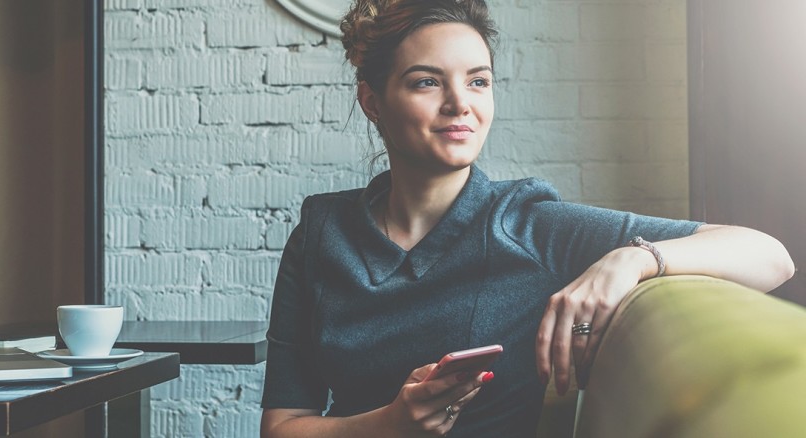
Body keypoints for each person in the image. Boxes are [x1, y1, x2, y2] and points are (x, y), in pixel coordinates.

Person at [259, 1, 795, 437]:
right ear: (373, 102)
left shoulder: (529, 226)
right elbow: (280, 425)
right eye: (427, 82)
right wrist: (390, 425)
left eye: (478, 81)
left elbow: (770, 256)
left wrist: (634, 257)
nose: (459, 104)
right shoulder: (320, 235)